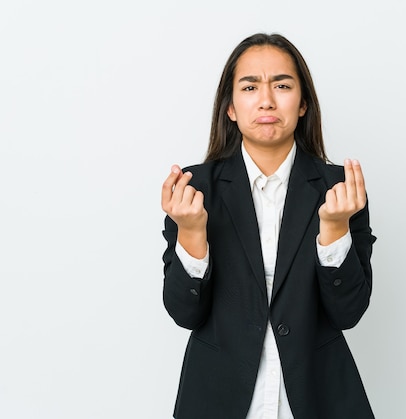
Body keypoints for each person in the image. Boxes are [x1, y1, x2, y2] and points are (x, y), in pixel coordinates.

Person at [161, 32, 376, 419]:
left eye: (282, 85)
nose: (266, 100)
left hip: (318, 398)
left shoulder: (339, 190)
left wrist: (334, 232)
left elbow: (349, 313)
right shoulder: (195, 190)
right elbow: (184, 313)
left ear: (303, 103)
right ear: (230, 107)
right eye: (250, 86)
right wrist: (192, 235)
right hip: (217, 401)